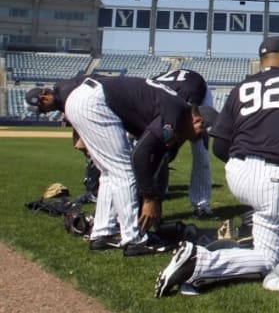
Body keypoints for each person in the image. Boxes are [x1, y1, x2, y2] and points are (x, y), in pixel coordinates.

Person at [154, 36, 279, 297]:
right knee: (272, 262)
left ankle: (246, 238)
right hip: (275, 174)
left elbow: (220, 144)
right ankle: (199, 262)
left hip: (237, 171)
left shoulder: (241, 87)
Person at [27, 75, 215, 256]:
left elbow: (156, 155)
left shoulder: (177, 111)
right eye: (200, 132)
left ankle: (103, 233)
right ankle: (135, 239)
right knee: (124, 170)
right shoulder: (176, 114)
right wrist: (150, 200)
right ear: (197, 119)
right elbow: (140, 155)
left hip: (86, 100)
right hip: (93, 101)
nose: (198, 137)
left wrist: (155, 195)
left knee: (109, 172)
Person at [151, 69, 215, 218]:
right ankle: (158, 190)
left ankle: (201, 205)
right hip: (172, 93)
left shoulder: (181, 101)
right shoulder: (148, 99)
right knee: (156, 147)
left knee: (200, 147)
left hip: (195, 92)